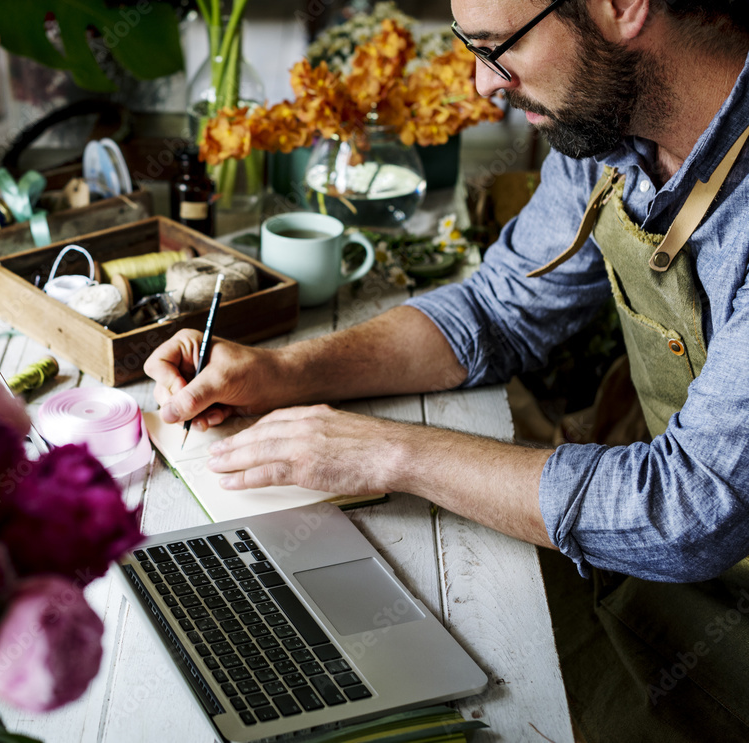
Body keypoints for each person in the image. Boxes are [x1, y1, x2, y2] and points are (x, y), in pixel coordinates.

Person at [145, 0, 749, 740]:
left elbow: (690, 509)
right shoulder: (607, 127)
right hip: (649, 571)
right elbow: (501, 307)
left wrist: (389, 452)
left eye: (499, 47)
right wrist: (283, 371)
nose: (480, 83)